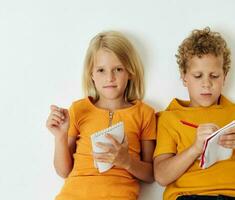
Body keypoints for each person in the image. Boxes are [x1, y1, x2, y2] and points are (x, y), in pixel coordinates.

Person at [153, 27, 235, 200]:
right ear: (184, 77)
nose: (206, 84)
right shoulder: (170, 118)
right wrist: (195, 149)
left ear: (224, 77)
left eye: (214, 76)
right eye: (198, 76)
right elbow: (161, 176)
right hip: (189, 196)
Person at [46, 31, 156, 200]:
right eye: (101, 70)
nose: (110, 78)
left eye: (118, 69)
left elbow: (150, 174)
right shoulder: (78, 109)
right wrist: (60, 137)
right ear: (91, 74)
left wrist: (127, 162)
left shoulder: (144, 113)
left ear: (130, 72)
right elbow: (64, 171)